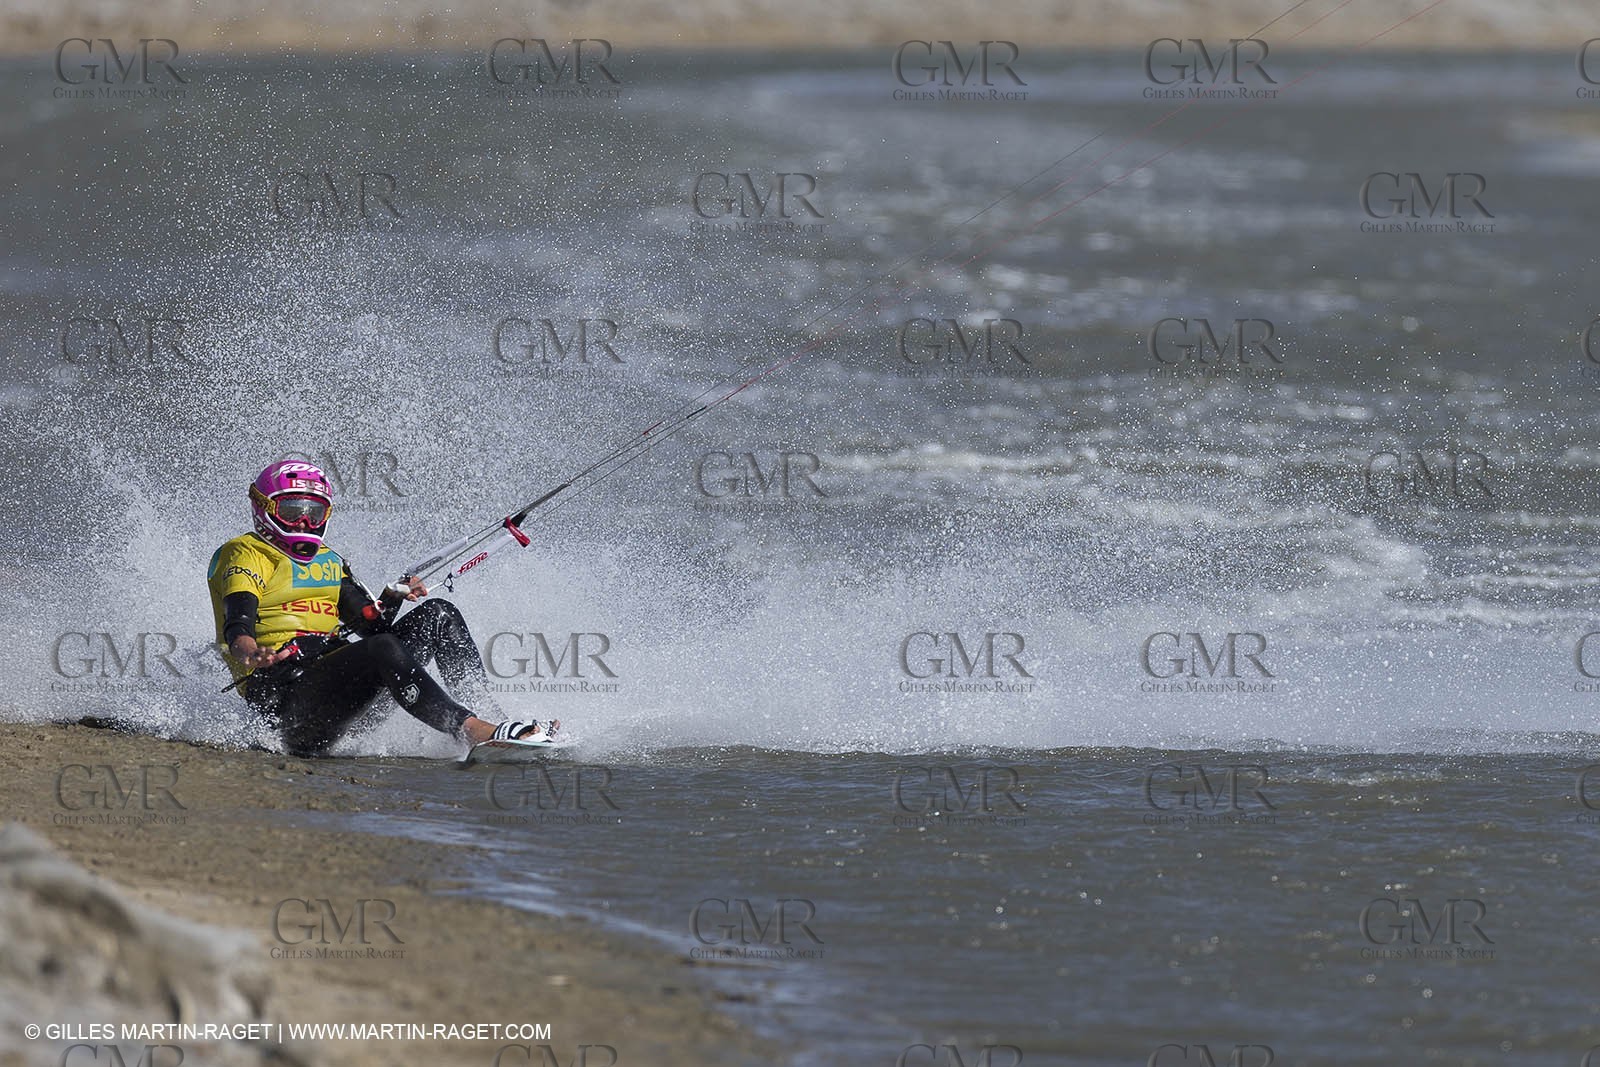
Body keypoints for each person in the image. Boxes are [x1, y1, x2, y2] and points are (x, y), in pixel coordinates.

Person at [207, 459, 554, 757]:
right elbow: (238, 623)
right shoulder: (245, 552)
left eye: (314, 513)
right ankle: (472, 731)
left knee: (438, 614)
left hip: (344, 697)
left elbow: (373, 628)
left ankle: (497, 724)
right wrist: (252, 652)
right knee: (382, 649)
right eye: (292, 511)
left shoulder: (328, 561)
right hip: (288, 709)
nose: (304, 523)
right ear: (265, 508)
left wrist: (394, 595)